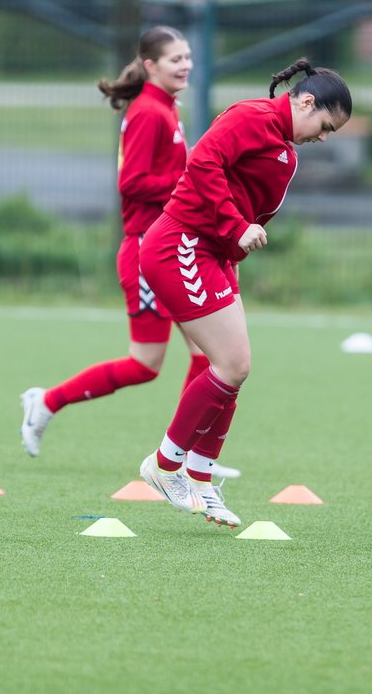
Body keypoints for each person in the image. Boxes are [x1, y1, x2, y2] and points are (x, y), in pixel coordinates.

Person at [135, 57, 352, 527]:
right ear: (306, 101)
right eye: (326, 125)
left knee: (235, 370)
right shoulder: (250, 117)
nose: (324, 137)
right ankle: (164, 465)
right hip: (180, 244)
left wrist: (236, 243)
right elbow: (203, 162)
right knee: (231, 365)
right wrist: (237, 226)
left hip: (212, 255)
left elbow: (251, 205)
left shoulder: (286, 152)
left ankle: (201, 477)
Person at [19, 26, 236, 475]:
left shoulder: (166, 107)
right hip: (145, 252)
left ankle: (189, 456)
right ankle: (46, 402)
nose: (186, 65)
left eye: (189, 56)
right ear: (151, 66)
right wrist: (188, 182)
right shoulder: (148, 112)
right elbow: (131, 182)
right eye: (176, 59)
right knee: (146, 363)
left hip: (174, 249)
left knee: (209, 355)